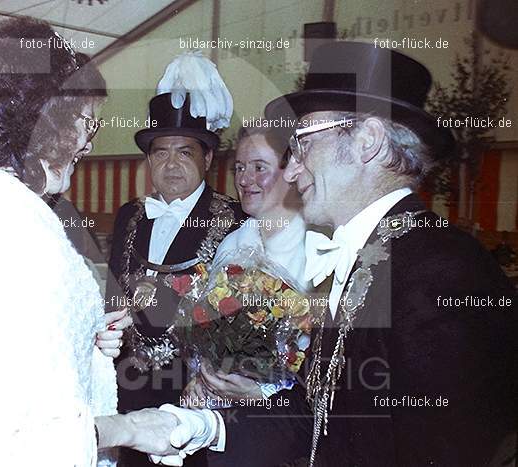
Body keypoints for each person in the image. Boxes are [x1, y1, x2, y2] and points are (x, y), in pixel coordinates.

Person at [153, 41, 517, 467]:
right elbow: (322, 419)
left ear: (367, 141)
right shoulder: (372, 254)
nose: (290, 170)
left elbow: (452, 451)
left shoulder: (441, 270)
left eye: (303, 143)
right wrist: (202, 429)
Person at [0, 18, 178, 466]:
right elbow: (29, 440)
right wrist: (135, 427)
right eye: (87, 125)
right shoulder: (20, 236)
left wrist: (84, 340)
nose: (88, 146)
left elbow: (7, 373)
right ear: (47, 115)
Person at [106, 90, 244, 466]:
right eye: (160, 152)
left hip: (194, 400)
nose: (171, 164)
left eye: (185, 152)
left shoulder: (235, 220)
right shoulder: (129, 215)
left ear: (208, 158)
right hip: (129, 390)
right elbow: (113, 296)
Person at [183, 123, 310, 407]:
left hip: (288, 420)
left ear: (291, 171)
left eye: (259, 167)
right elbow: (209, 329)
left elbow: (322, 367)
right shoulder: (231, 244)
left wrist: (262, 396)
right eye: (239, 168)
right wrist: (201, 377)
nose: (244, 179)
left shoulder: (317, 248)